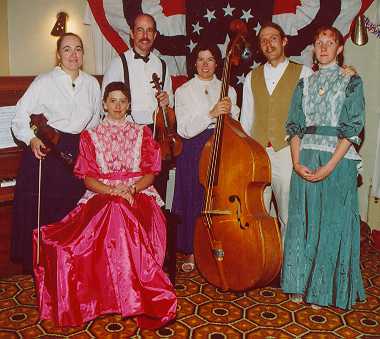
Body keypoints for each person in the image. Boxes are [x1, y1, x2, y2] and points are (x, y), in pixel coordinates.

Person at [33, 82, 177, 328]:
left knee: (120, 210)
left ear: (129, 104)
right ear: (104, 104)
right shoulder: (91, 136)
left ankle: (131, 295)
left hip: (139, 193)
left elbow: (150, 174)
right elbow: (89, 179)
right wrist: (112, 190)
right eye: (113, 100)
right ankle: (111, 296)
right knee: (112, 210)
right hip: (101, 193)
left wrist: (130, 189)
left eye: (123, 101)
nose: (118, 106)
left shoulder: (143, 133)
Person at [281, 26, 366, 309]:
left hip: (337, 160)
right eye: (319, 43)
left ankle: (323, 290)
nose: (324, 47)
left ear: (340, 49)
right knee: (303, 222)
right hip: (305, 156)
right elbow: (294, 126)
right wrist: (296, 161)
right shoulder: (304, 84)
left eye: (330, 42)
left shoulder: (351, 81)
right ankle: (298, 284)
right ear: (313, 49)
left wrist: (330, 166)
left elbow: (353, 128)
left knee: (330, 224)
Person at [11, 32, 101, 273]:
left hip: (76, 153)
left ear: (83, 54)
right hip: (48, 151)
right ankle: (45, 271)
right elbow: (19, 115)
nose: (73, 54)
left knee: (74, 215)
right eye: (68, 49)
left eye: (78, 49)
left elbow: (94, 121)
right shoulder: (44, 81)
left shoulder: (92, 84)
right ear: (59, 54)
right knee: (47, 216)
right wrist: (31, 139)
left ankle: (70, 271)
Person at [240, 22, 313, 241]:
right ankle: (265, 265)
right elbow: (246, 119)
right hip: (259, 154)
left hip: (288, 153)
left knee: (288, 214)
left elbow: (312, 116)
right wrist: (246, 155)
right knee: (257, 212)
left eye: (273, 38)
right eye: (263, 40)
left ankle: (290, 268)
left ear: (284, 41)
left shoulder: (304, 73)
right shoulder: (252, 77)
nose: (268, 44)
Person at [172, 43, 240, 272]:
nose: (205, 64)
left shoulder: (228, 89)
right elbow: (183, 129)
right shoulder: (183, 91)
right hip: (193, 149)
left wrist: (231, 112)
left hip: (221, 148)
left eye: (210, 59)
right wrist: (211, 113)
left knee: (217, 201)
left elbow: (236, 125)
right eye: (200, 59)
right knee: (194, 199)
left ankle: (217, 248)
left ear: (217, 63)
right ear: (194, 62)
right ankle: (193, 251)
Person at [102, 12, 173, 201]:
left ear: (155, 35)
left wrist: (166, 104)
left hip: (156, 135)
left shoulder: (163, 65)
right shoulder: (118, 64)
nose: (145, 35)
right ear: (132, 34)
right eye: (140, 30)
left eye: (149, 30)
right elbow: (105, 107)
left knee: (157, 192)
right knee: (127, 194)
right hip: (126, 137)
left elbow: (169, 110)